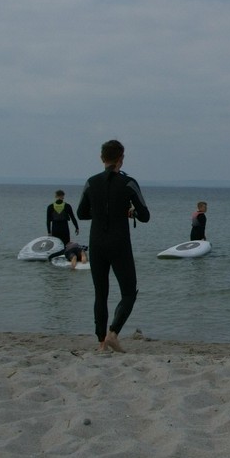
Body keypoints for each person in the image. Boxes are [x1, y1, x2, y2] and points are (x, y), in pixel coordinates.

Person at [76, 139, 150, 353]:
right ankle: (113, 333)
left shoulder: (91, 182)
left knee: (101, 294)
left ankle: (101, 343)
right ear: (121, 158)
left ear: (102, 158)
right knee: (128, 292)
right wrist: (129, 212)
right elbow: (145, 215)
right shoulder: (128, 183)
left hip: (97, 243)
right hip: (119, 243)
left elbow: (81, 213)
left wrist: (101, 212)